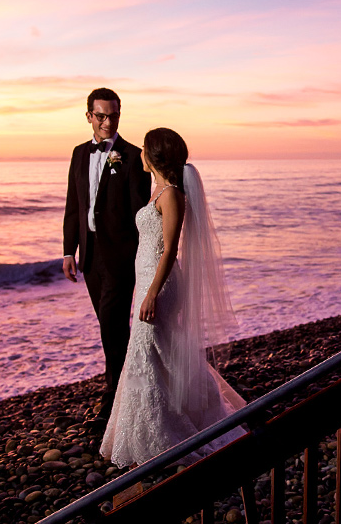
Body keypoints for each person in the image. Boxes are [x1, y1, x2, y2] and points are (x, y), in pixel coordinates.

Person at [100, 128, 245, 469]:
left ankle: (168, 431)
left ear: (154, 156)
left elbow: (169, 249)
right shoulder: (159, 191)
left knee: (148, 349)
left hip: (160, 285)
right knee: (156, 350)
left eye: (144, 149)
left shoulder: (171, 196)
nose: (139, 154)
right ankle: (149, 428)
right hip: (149, 280)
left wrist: (151, 293)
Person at [63, 88, 152, 420]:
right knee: (110, 325)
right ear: (89, 116)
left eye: (113, 115)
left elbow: (139, 212)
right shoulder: (78, 154)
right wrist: (68, 251)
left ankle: (113, 397)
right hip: (89, 255)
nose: (107, 122)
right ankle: (132, 384)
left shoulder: (132, 155)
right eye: (100, 115)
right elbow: (74, 204)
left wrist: (142, 257)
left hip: (120, 255)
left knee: (112, 325)